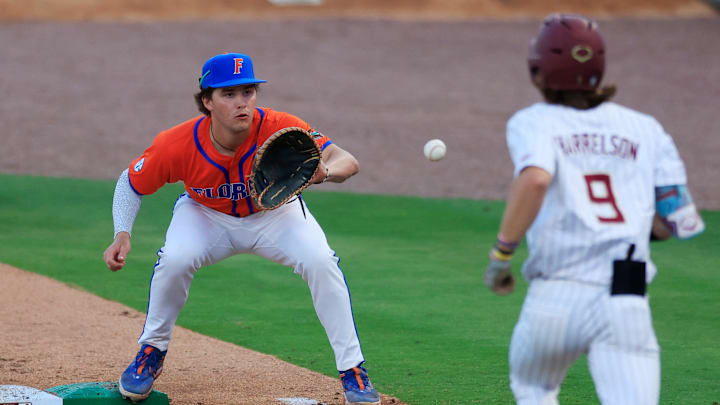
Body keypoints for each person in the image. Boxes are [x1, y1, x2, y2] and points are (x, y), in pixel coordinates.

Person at [102, 52, 381, 405]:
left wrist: (326, 172)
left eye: (248, 91)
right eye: (228, 94)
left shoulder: (281, 125)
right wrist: (122, 232)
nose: (241, 103)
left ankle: (353, 370)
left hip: (275, 215)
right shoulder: (178, 143)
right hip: (206, 216)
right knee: (174, 259)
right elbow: (131, 182)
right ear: (207, 101)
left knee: (321, 262)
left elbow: (347, 161)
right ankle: (151, 351)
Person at [483, 14, 705, 405]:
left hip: (555, 297)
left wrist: (502, 255)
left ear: (538, 70)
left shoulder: (533, 121)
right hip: (626, 300)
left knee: (535, 388)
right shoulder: (646, 128)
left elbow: (535, 180)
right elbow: (675, 221)